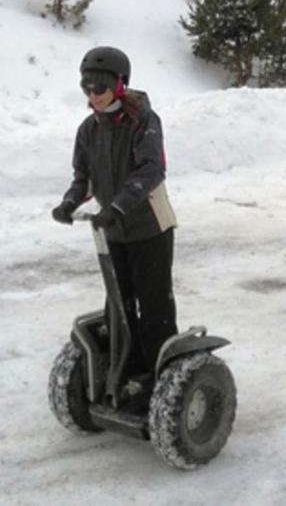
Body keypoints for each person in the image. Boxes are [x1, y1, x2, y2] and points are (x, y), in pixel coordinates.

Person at [51, 46, 178, 380]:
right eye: (87, 88)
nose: (94, 96)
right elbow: (83, 178)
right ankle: (127, 371)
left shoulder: (144, 121)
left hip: (150, 227)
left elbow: (152, 170)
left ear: (120, 85)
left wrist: (119, 205)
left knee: (154, 307)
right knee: (118, 305)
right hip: (113, 229)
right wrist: (69, 203)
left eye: (100, 88)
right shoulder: (88, 130)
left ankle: (161, 377)